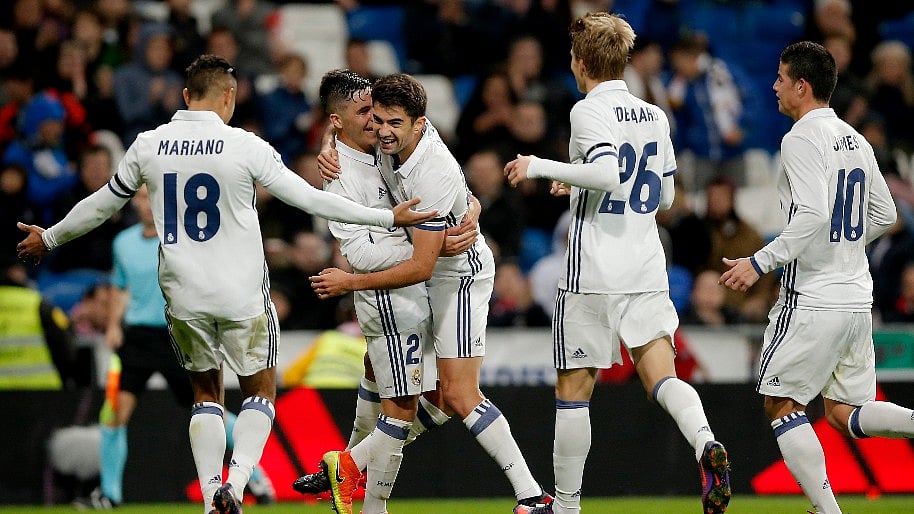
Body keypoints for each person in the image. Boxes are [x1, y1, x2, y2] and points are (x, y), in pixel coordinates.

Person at [15, 54, 436, 514]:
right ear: (229, 96)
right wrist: (385, 215)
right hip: (240, 295)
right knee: (259, 392)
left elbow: (100, 205)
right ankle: (234, 485)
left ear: (184, 96)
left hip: (183, 296)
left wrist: (49, 236)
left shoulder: (149, 145)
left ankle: (210, 490)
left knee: (205, 395)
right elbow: (310, 198)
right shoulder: (245, 146)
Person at [503, 12, 731, 514]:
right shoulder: (654, 114)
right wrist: (580, 178)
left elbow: (607, 172)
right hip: (646, 267)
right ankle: (705, 442)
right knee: (662, 377)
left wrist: (538, 166)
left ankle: (565, 506)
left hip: (595, 271)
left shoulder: (587, 110)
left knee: (574, 389)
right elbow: (666, 195)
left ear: (581, 62)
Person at [309, 72, 554, 514]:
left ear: (418, 124)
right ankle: (354, 477)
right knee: (432, 397)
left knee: (456, 395)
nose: (379, 128)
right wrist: (330, 143)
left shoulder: (425, 168)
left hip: (456, 276)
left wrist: (348, 282)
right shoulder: (378, 148)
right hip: (419, 281)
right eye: (373, 116)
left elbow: (422, 262)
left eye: (390, 121)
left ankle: (531, 496)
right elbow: (348, 130)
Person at [719, 41, 912, 514]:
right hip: (854, 297)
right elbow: (887, 213)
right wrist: (843, 243)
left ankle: (828, 511)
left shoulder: (800, 138)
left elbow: (811, 213)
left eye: (781, 78)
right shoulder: (855, 137)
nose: (775, 86)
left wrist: (758, 261)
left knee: (780, 403)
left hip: (813, 298)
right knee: (845, 414)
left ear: (802, 87)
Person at [96, 185, 275, 507]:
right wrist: (112, 326)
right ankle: (110, 495)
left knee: (208, 406)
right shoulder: (122, 243)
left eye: (152, 197)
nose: (146, 204)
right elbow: (120, 288)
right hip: (137, 338)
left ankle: (256, 478)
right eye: (139, 197)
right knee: (113, 413)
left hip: (177, 333)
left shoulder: (184, 238)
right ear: (133, 203)